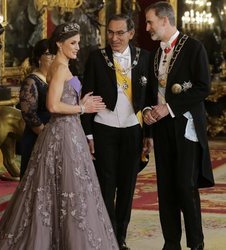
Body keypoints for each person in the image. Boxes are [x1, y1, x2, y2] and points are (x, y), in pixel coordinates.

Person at [0, 22, 119, 250]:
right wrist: (82, 109)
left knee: (69, 188)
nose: (78, 47)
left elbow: (65, 99)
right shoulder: (58, 67)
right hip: (62, 134)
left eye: (78, 43)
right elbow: (52, 105)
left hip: (70, 132)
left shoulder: (64, 66)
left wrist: (81, 103)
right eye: (73, 43)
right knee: (63, 187)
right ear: (59, 43)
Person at [144, 2, 215, 250]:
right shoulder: (155, 54)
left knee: (185, 186)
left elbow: (203, 87)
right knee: (166, 189)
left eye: (150, 21)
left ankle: (196, 244)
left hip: (186, 127)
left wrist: (169, 108)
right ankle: (171, 243)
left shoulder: (194, 47)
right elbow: (151, 94)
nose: (147, 27)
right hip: (162, 129)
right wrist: (148, 114)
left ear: (165, 20)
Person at [81, 14, 153, 250]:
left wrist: (148, 135)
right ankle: (107, 235)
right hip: (104, 129)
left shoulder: (144, 58)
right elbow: (87, 97)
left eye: (120, 33)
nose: (114, 38)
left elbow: (149, 100)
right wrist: (88, 134)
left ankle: (120, 236)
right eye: (110, 32)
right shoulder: (96, 58)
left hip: (133, 129)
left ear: (131, 33)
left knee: (127, 185)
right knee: (106, 185)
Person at [19, 38, 53, 178]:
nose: (53, 57)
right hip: (37, 138)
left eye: (55, 53)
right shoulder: (32, 81)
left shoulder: (59, 77)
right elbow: (29, 115)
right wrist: (47, 137)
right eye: (49, 54)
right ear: (39, 58)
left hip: (57, 136)